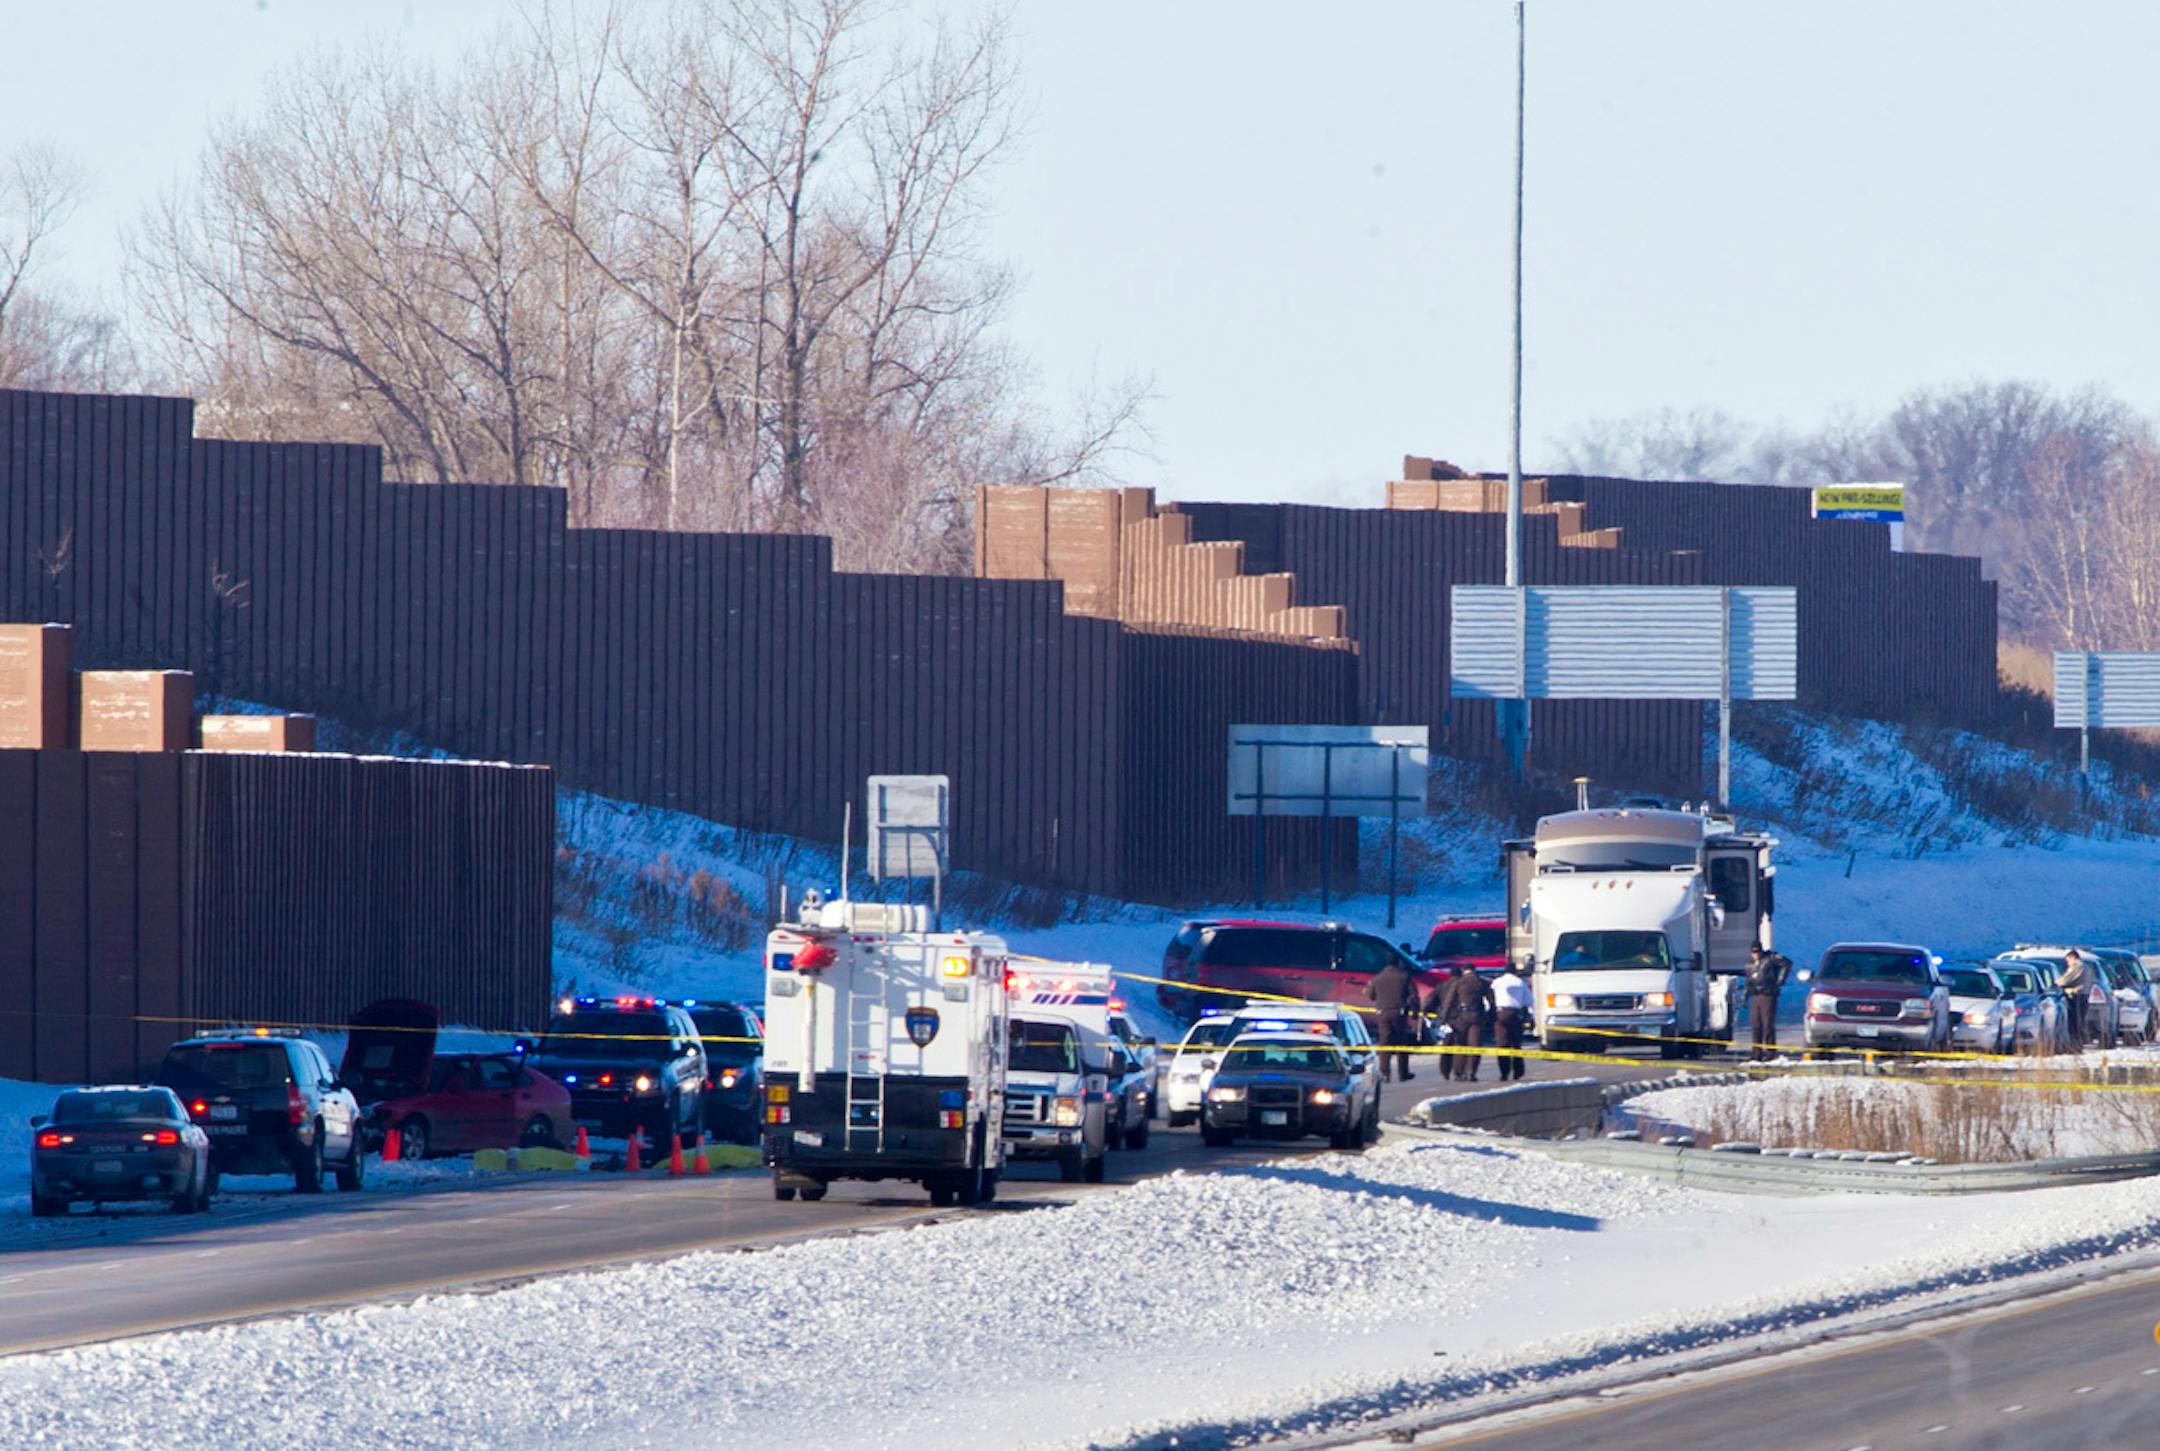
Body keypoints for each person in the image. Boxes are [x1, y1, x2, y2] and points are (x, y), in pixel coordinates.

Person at [1365, 954, 1427, 1082]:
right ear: (1398, 963)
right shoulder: (1404, 977)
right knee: (1401, 1042)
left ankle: (1385, 1073)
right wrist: (1415, 1012)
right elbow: (1413, 996)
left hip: (1383, 1013)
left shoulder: (1377, 978)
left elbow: (1371, 996)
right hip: (1400, 1013)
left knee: (1385, 1043)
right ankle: (1403, 1072)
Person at [1438, 966, 1495, 1081]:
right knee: (1475, 1045)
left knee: (1460, 1045)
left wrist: (1444, 1019)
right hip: (1477, 1016)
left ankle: (1459, 1073)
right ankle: (1471, 1072)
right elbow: (1492, 1002)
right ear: (1474, 970)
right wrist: (1489, 1018)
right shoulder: (1482, 982)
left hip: (1462, 1017)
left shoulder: (1458, 983)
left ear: (1464, 971)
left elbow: (1449, 1001)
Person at [1745, 944, 1792, 1061]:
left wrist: (1779, 981)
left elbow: (1787, 963)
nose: (1756, 954)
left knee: (1767, 1024)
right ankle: (1756, 1053)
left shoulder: (1770, 959)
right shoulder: (1749, 965)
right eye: (1754, 952)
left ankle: (1770, 1052)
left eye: (1758, 951)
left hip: (1768, 994)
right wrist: (1745, 997)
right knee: (1756, 1025)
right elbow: (1748, 982)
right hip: (1756, 995)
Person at [1489, 962, 1532, 1081]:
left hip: (1500, 1014)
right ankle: (1518, 1072)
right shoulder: (1520, 982)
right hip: (1515, 1015)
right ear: (1515, 971)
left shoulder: (1496, 982)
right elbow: (1529, 1001)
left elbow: (1490, 998)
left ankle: (1504, 1073)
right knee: (1516, 1044)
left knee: (1502, 1044)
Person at [2059, 949, 2092, 1046]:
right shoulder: (2086, 967)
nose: (2068, 963)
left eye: (2068, 961)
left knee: (2074, 1023)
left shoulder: (2077, 966)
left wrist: (2056, 983)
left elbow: (2065, 980)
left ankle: (2075, 1045)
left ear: (2072, 958)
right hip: (2084, 996)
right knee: (2080, 1022)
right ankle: (2078, 1044)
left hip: (2076, 997)